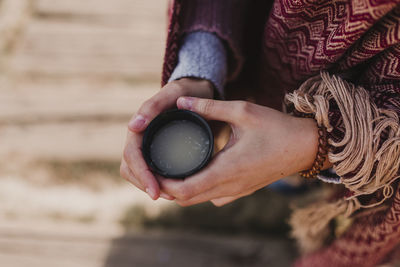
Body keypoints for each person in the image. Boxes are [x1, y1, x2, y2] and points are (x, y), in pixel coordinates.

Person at [120, 1, 400, 266]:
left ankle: (294, 174)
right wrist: (201, 67)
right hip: (274, 68)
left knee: (306, 168)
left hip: (381, 137)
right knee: (270, 135)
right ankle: (285, 173)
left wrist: (315, 145)